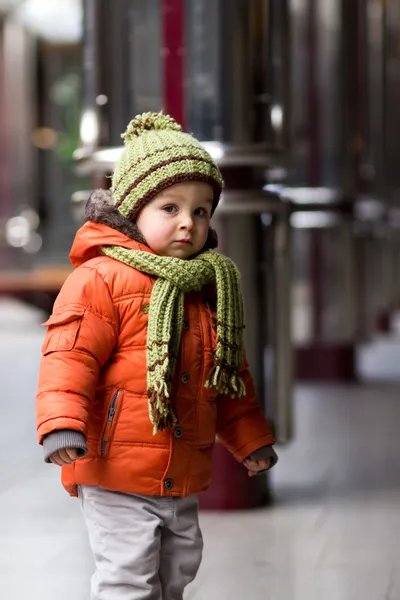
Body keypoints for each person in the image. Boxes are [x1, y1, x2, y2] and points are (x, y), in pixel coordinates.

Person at [36, 111, 278, 600]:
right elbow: (69, 355)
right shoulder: (101, 278)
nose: (188, 223)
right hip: (113, 466)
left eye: (202, 210)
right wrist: (62, 422)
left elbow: (227, 376)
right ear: (132, 209)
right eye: (170, 208)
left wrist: (249, 437)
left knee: (177, 569)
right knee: (128, 573)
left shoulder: (209, 288)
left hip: (180, 468)